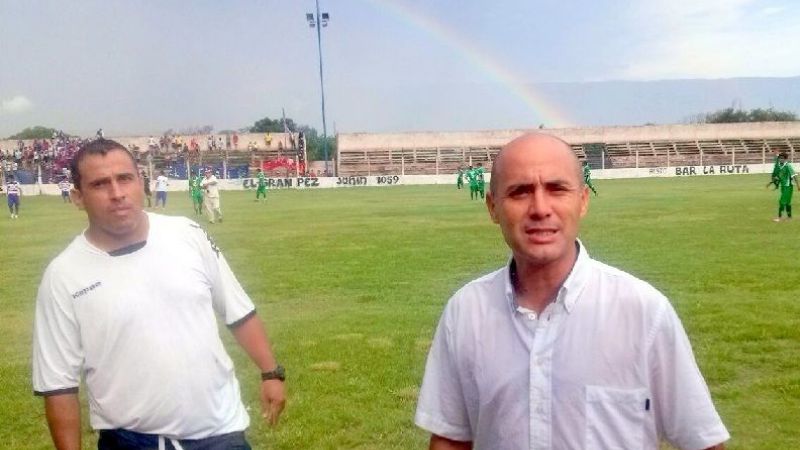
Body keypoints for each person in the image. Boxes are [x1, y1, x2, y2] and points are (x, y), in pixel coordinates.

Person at [415, 133, 729, 450]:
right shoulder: (466, 310)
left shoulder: (644, 311)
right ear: (493, 207)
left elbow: (702, 441)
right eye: (520, 192)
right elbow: (451, 439)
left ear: (582, 201)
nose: (540, 208)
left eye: (556, 188)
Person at [32, 139, 285, 450]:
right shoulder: (63, 276)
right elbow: (59, 385)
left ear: (142, 182)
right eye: (100, 184)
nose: (117, 193)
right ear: (77, 197)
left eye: (125, 178)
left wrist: (271, 372)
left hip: (223, 434)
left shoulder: (187, 234)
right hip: (130, 442)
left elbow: (237, 308)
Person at [773, 151, 799, 222]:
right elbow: (781, 176)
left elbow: (794, 176)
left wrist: (798, 186)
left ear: (785, 159)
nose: (780, 159)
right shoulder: (780, 166)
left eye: (782, 158)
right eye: (780, 158)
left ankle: (779, 217)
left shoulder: (788, 166)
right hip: (783, 186)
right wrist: (777, 178)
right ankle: (789, 217)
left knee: (781, 202)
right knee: (787, 203)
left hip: (788, 187)